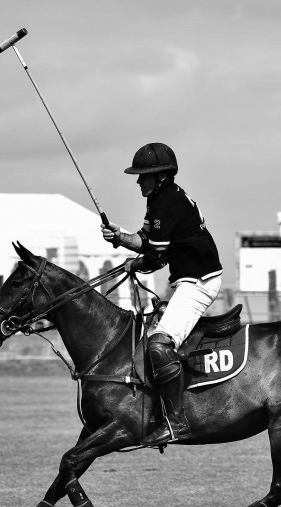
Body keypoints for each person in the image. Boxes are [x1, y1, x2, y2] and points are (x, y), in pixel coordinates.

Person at [101, 143, 223, 445]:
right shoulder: (158, 199)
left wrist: (135, 262)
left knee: (158, 345)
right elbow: (145, 239)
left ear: (161, 176)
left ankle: (175, 423)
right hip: (187, 279)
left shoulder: (168, 201)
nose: (138, 181)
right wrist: (119, 237)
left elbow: (155, 258)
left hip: (199, 280)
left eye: (143, 175)